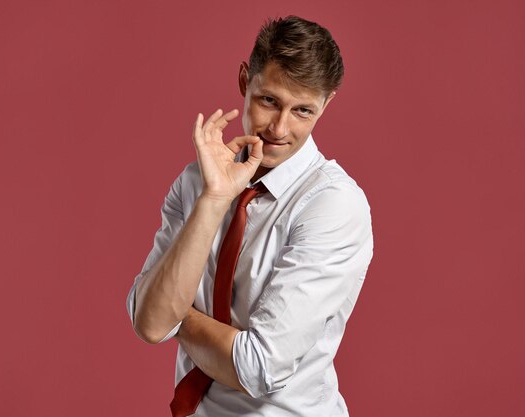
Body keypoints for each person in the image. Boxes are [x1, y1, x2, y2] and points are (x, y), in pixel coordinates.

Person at [126, 15, 373, 417]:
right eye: (269, 100)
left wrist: (177, 315)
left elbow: (257, 366)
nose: (279, 127)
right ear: (245, 80)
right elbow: (149, 323)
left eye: (303, 111)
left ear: (327, 104)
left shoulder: (333, 205)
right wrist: (215, 199)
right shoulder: (196, 184)